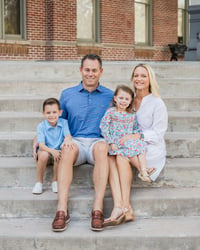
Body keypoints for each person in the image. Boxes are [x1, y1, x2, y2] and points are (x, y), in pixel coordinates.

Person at [33, 54, 114, 232]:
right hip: (75, 141)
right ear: (80, 70)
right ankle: (62, 210)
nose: (90, 74)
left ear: (100, 72)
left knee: (102, 148)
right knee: (67, 149)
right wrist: (37, 139)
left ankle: (97, 210)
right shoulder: (67, 94)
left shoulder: (110, 95)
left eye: (94, 70)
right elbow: (55, 121)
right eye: (87, 70)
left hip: (97, 142)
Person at [104, 64, 168, 226]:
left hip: (149, 147)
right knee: (114, 155)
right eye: (136, 75)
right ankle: (125, 208)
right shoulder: (128, 99)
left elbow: (159, 133)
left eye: (143, 76)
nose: (139, 79)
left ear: (150, 79)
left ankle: (124, 207)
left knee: (120, 155)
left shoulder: (156, 102)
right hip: (128, 144)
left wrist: (137, 135)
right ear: (132, 78)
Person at [100, 85, 151, 184]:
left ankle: (144, 170)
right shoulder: (111, 112)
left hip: (128, 141)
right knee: (131, 148)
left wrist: (137, 135)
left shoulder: (132, 115)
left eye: (127, 99)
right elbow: (104, 127)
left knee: (141, 145)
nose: (123, 101)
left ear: (131, 100)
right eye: (121, 98)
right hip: (117, 142)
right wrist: (110, 143)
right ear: (115, 98)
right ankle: (143, 171)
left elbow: (136, 128)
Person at [32, 97, 72, 194]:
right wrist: (52, 151)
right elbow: (41, 145)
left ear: (60, 113)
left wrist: (67, 139)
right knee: (44, 155)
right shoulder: (41, 126)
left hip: (57, 151)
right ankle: (39, 182)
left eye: (54, 112)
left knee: (60, 153)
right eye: (48, 113)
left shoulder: (64, 123)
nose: (51, 115)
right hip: (46, 150)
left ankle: (55, 181)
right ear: (43, 114)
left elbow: (68, 135)